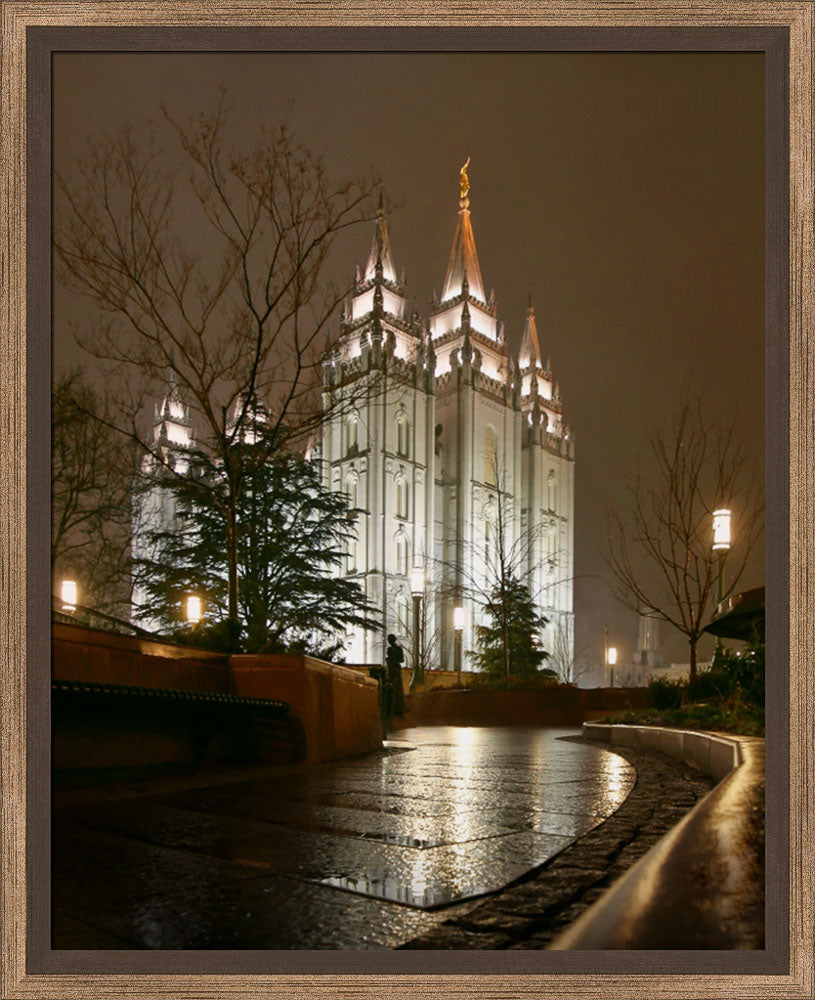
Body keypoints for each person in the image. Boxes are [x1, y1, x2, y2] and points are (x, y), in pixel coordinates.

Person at [385, 633, 405, 716]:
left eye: (391, 639)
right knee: (390, 691)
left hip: (396, 671)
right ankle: (390, 710)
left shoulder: (399, 649)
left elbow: (401, 660)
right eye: (389, 640)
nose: (389, 641)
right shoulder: (389, 649)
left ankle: (399, 710)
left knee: (398, 690)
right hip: (391, 671)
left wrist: (394, 660)